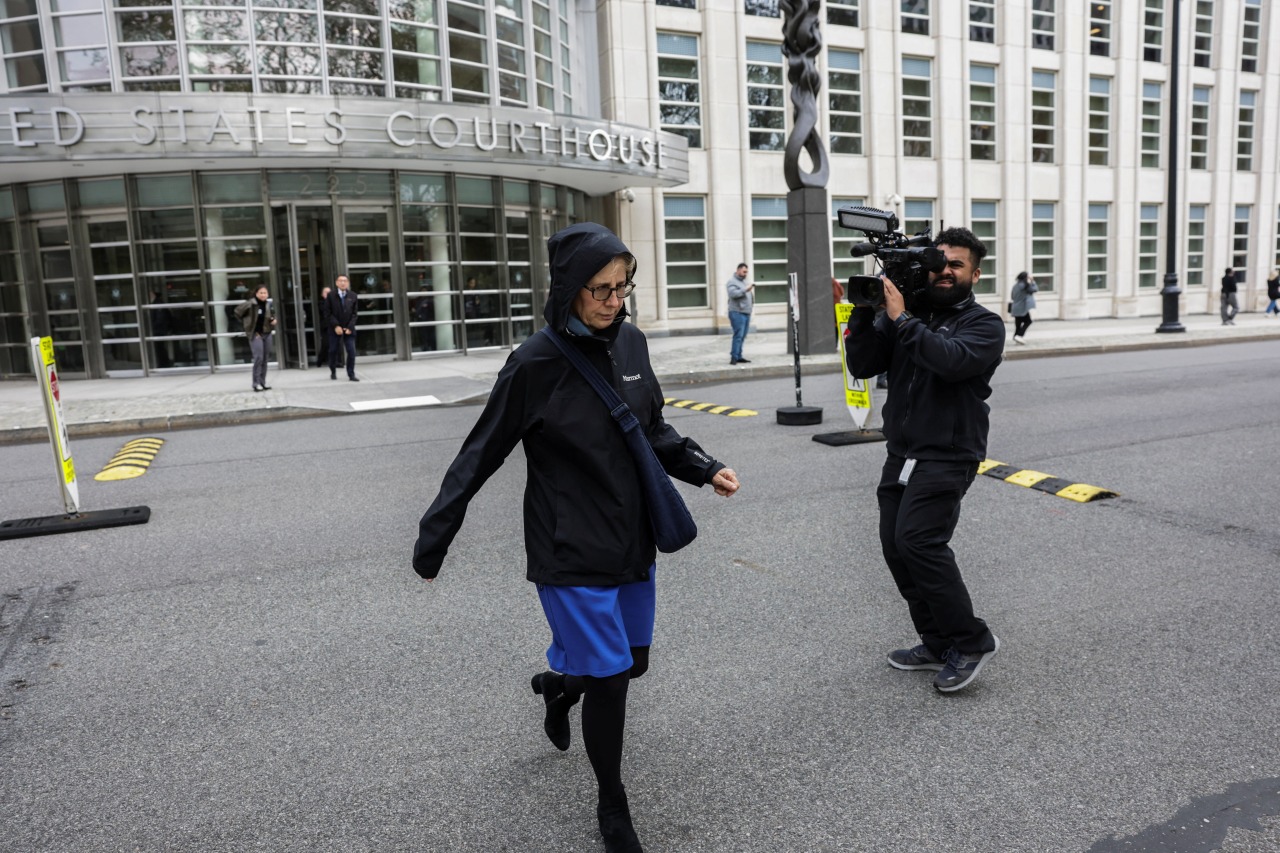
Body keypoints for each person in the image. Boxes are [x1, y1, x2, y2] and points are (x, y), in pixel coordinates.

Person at [412, 222, 741, 852]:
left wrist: (704, 468)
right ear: (568, 289)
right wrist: (436, 538)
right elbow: (478, 454)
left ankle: (558, 687)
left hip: (632, 536)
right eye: (600, 290)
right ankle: (612, 806)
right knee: (613, 678)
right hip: (568, 546)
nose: (614, 301)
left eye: (623, 288)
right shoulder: (534, 363)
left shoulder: (634, 345)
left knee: (630, 664)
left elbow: (654, 431)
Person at [843, 226, 1004, 694]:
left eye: (957, 264)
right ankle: (936, 643)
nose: (946, 271)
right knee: (897, 548)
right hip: (903, 451)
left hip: (949, 453)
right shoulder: (907, 315)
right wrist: (866, 309)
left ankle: (973, 641)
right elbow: (863, 364)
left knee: (920, 542)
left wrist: (902, 319)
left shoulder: (983, 325)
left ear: (975, 272)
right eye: (940, 262)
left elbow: (949, 361)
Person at [234, 285, 276, 392]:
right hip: (256, 334)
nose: (263, 295)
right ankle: (256, 383)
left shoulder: (268, 304)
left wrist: (273, 321)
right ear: (256, 293)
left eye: (265, 293)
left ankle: (263, 382)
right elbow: (237, 312)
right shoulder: (250, 304)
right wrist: (248, 325)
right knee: (259, 358)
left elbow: (271, 316)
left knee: (266, 359)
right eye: (261, 293)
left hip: (267, 333)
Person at [324, 274, 359, 380]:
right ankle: (333, 371)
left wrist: (350, 327)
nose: (343, 283)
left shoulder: (353, 296)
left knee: (351, 352)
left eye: (345, 281)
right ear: (336, 283)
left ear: (348, 283)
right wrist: (336, 326)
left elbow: (355, 314)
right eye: (340, 281)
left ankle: (351, 374)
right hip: (335, 328)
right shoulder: (331, 295)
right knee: (333, 351)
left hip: (349, 329)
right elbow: (327, 313)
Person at [725, 262, 754, 365]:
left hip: (746, 313)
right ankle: (734, 357)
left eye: (746, 271)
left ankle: (739, 356)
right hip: (737, 313)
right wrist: (746, 289)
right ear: (738, 270)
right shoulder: (732, 282)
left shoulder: (744, 282)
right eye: (744, 271)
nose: (745, 273)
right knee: (738, 335)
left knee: (742, 336)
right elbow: (733, 294)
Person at [1010, 271, 1038, 344]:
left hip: (1015, 307)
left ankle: (1016, 337)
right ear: (1025, 277)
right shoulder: (1025, 285)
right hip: (1022, 308)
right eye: (1028, 276)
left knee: (1018, 324)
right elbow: (1035, 289)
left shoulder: (1015, 285)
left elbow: (1012, 297)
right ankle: (1019, 335)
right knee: (1028, 321)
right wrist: (1032, 281)